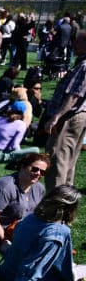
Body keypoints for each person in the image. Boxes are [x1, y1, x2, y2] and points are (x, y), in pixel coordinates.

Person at [0, 185, 84, 281]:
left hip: (8, 271)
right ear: (71, 208)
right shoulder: (57, 232)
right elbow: (35, 263)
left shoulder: (32, 217)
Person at [42, 30, 86, 190]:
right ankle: (65, 198)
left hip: (70, 116)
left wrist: (57, 116)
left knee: (57, 159)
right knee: (69, 160)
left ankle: (55, 199)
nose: (72, 44)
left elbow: (74, 95)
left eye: (76, 41)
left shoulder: (84, 66)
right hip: (80, 116)